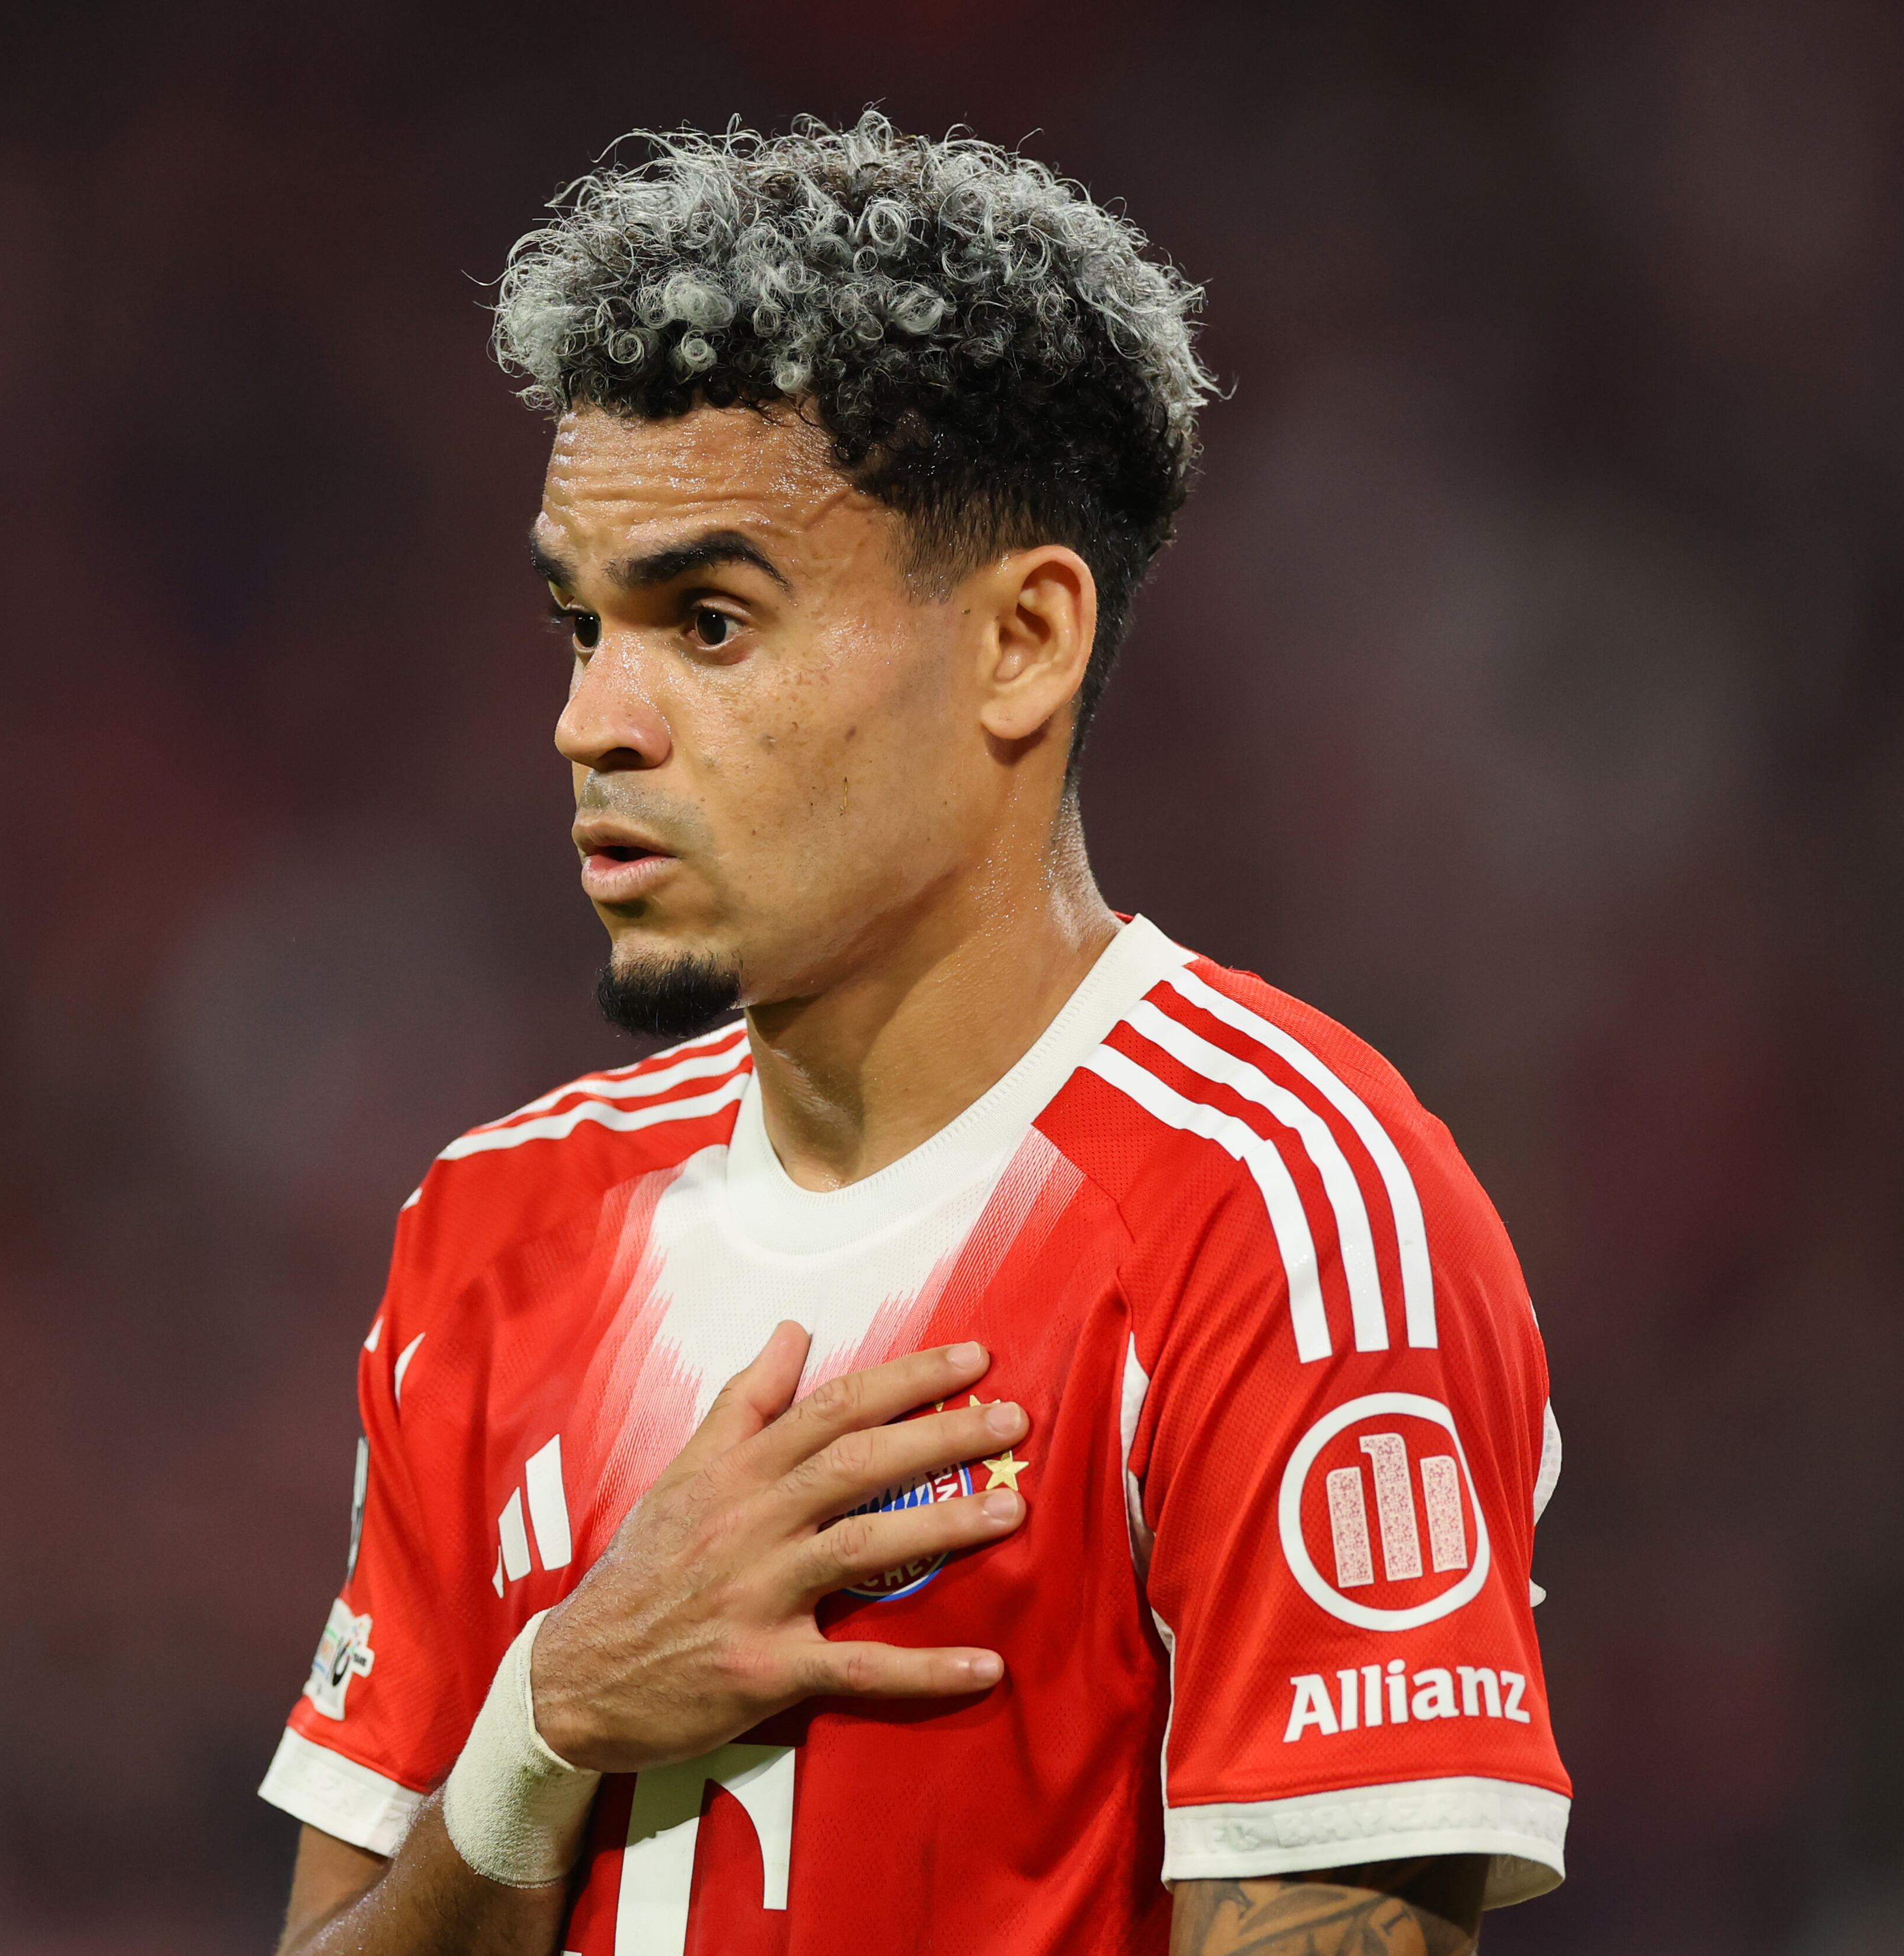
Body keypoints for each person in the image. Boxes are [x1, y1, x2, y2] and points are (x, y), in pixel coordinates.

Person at [257, 114, 1568, 1956]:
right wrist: (539, 1731)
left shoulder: (1285, 1221)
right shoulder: (493, 1231)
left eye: (710, 622)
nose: (593, 721)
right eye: (580, 624)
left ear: (1023, 641)